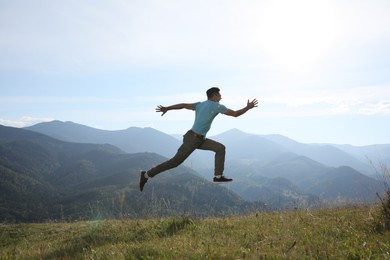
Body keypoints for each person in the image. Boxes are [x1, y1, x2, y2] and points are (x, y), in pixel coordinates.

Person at [139, 87, 258, 191]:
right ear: (214, 95)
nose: (221, 97)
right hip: (192, 140)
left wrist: (167, 108)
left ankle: (218, 177)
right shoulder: (217, 106)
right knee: (174, 162)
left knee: (220, 148)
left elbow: (183, 105)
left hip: (200, 139)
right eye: (220, 95)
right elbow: (235, 114)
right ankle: (146, 175)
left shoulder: (200, 104)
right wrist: (248, 108)